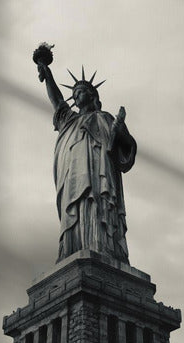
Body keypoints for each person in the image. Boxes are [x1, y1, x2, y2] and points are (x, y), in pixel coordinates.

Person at [35, 53, 137, 263]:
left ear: (92, 95)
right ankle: (74, 247)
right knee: (78, 206)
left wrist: (120, 131)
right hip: (74, 176)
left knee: (98, 206)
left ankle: (104, 247)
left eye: (80, 92)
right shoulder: (69, 121)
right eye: (74, 93)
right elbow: (57, 102)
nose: (76, 96)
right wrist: (48, 74)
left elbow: (125, 151)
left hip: (100, 174)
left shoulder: (105, 118)